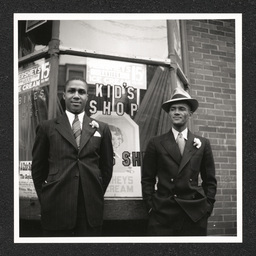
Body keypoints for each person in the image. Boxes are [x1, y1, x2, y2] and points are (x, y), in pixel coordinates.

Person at [32, 77, 113, 237]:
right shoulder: (47, 127)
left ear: (87, 97)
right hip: (56, 207)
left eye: (81, 92)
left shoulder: (101, 129)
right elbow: (38, 169)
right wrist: (46, 198)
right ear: (64, 95)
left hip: (90, 211)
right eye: (71, 91)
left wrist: (94, 192)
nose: (76, 95)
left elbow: (106, 168)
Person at [141, 87, 217, 236]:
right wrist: (151, 206)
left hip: (194, 214)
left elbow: (210, 180)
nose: (176, 112)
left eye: (182, 109)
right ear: (169, 113)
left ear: (190, 113)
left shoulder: (202, 143)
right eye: (173, 109)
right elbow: (147, 179)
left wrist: (207, 207)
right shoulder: (156, 143)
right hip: (163, 214)